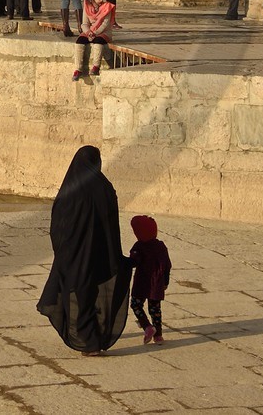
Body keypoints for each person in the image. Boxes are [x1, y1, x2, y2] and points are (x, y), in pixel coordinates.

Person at [37, 145, 133, 356]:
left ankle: (90, 342)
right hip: (101, 252)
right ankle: (93, 335)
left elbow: (58, 223)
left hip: (75, 254)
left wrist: (62, 250)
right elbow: (111, 223)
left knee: (78, 293)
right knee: (91, 291)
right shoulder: (105, 187)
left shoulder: (71, 190)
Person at [127, 215, 172, 345]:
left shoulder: (139, 246)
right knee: (155, 309)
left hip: (142, 282)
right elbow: (167, 264)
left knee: (136, 304)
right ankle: (158, 336)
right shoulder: (161, 246)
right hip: (157, 283)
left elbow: (133, 262)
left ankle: (147, 326)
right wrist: (165, 281)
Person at [75, 0, 115, 80]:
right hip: (90, 31)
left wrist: (95, 33)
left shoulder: (106, 7)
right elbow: (84, 24)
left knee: (98, 41)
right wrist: (88, 32)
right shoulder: (87, 8)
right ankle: (78, 69)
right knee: (80, 40)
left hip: (104, 32)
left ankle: (96, 67)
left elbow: (105, 24)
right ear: (91, 0)